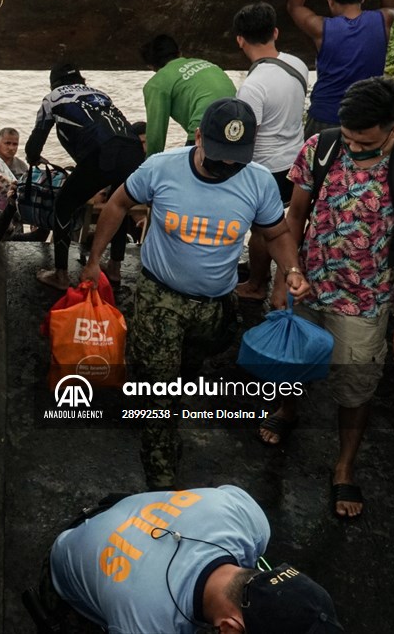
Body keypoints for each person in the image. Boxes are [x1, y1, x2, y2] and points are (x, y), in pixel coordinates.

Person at [82, 98, 311, 489]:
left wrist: (291, 270)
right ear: (199, 137)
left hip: (216, 306)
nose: (225, 168)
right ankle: (162, 480)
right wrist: (94, 259)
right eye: (217, 157)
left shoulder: (257, 182)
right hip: (160, 298)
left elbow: (274, 232)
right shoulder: (161, 168)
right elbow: (119, 203)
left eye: (234, 160)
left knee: (185, 376)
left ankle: (168, 416)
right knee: (158, 394)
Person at [263, 76, 394, 519]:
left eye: (365, 142)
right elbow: (295, 216)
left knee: (356, 386)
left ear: (393, 128)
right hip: (307, 286)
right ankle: (287, 408)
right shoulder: (320, 148)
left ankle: (344, 465)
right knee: (293, 359)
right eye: (348, 137)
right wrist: (284, 276)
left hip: (365, 303)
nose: (354, 148)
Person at [42, 485, 343, 634]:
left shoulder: (246, 519)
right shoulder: (148, 625)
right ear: (227, 629)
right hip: (67, 559)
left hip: (122, 518)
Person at [25, 64, 145, 290]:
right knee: (119, 204)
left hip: (102, 153)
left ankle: (60, 275)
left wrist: (34, 157)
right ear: (82, 80)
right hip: (133, 150)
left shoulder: (52, 99)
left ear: (53, 84)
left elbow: (34, 145)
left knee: (64, 204)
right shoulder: (100, 94)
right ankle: (115, 268)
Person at [230, 2, 311, 303]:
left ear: (240, 39)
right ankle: (275, 276)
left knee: (262, 231)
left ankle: (255, 284)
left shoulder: (252, 86)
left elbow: (246, 138)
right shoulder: (298, 65)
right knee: (282, 224)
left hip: (268, 168)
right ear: (275, 32)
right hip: (296, 160)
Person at [288, 0, 394, 137]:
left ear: (329, 0)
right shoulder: (383, 20)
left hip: (326, 118)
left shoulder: (322, 29)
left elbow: (294, 6)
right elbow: (392, 5)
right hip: (367, 118)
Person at [139, 34, 236, 156]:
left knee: (185, 173)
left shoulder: (157, 83)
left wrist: (149, 169)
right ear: (179, 53)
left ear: (151, 66)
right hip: (237, 125)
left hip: (204, 130)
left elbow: (155, 136)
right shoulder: (205, 63)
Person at [0, 127, 30, 238]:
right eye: (7, 143)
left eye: (15, 144)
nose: (11, 148)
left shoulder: (21, 167)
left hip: (15, 219)